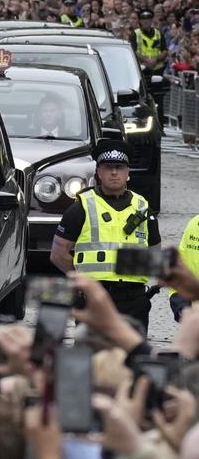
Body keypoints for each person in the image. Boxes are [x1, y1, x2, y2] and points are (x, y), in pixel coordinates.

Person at [50, 138, 160, 332]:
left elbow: (155, 254)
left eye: (120, 167)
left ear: (128, 173)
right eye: (108, 167)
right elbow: (58, 254)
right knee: (92, 356)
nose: (114, 172)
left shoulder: (143, 207)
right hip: (94, 296)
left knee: (131, 358)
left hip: (133, 300)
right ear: (99, 172)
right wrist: (80, 280)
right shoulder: (81, 207)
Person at [131, 9, 168, 80]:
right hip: (143, 68)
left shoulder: (159, 33)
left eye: (148, 19)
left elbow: (165, 50)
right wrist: (146, 60)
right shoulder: (135, 34)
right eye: (143, 19)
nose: (146, 21)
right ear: (140, 21)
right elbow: (133, 51)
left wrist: (156, 58)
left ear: (151, 20)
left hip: (158, 68)